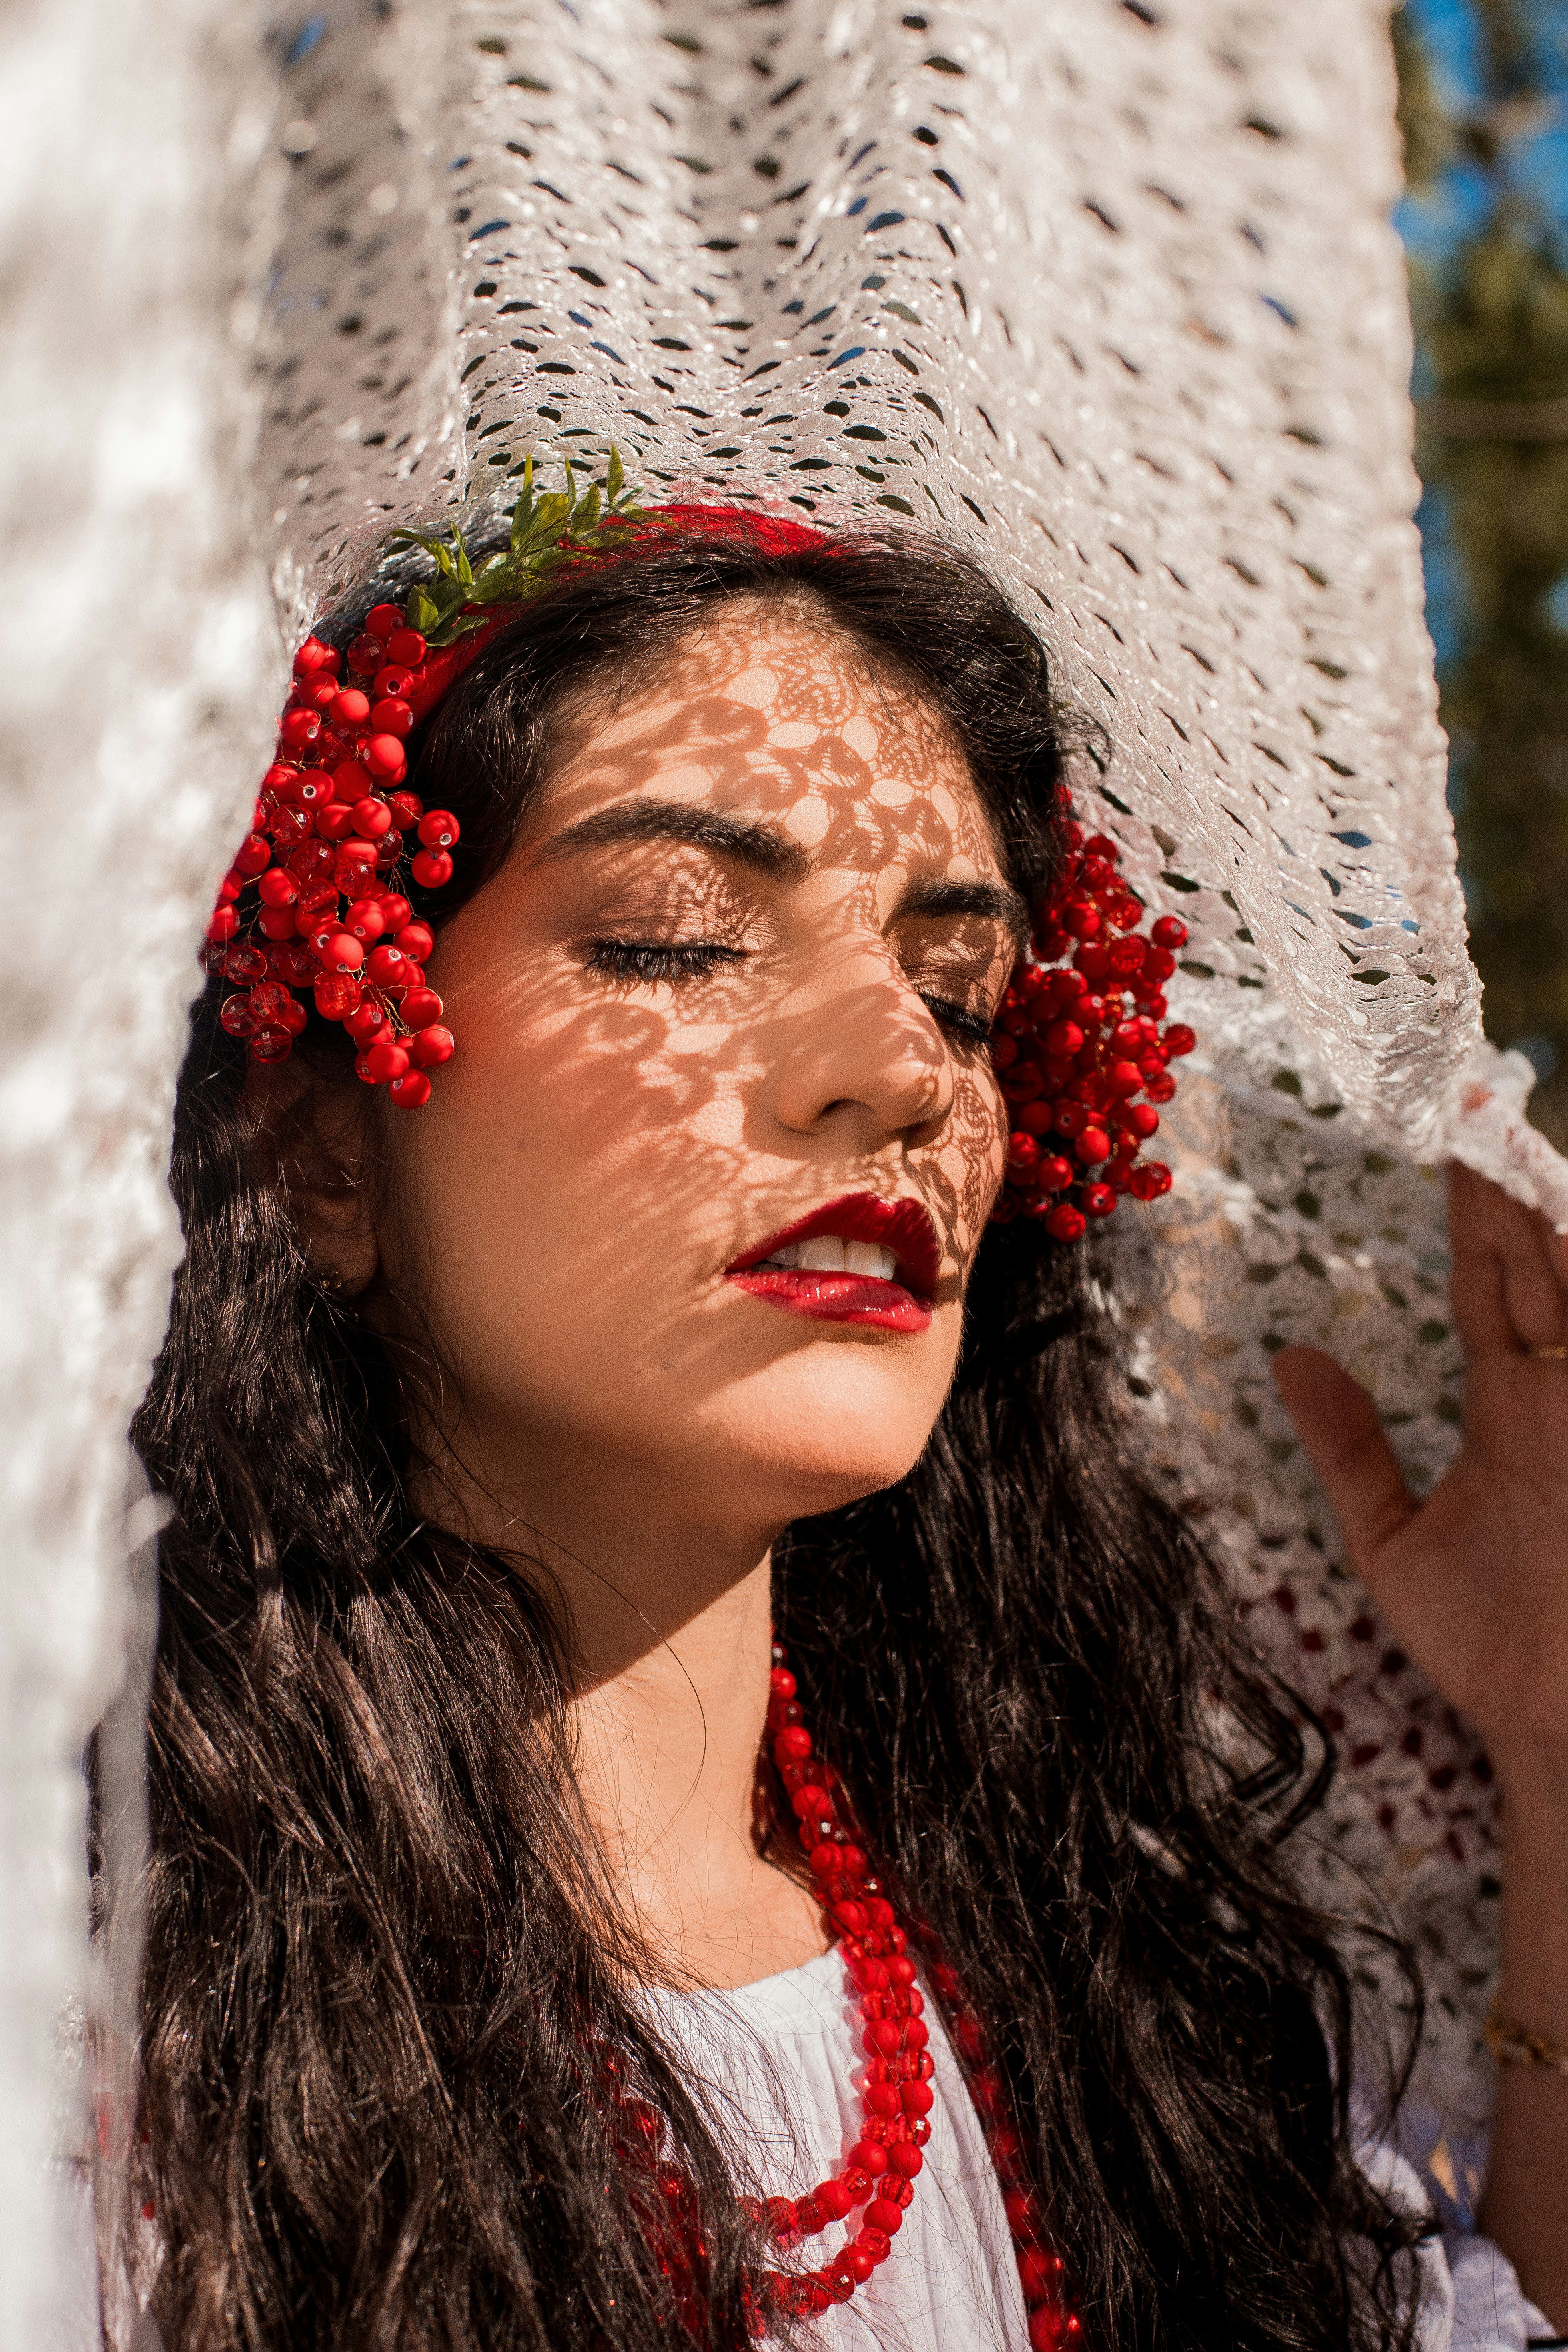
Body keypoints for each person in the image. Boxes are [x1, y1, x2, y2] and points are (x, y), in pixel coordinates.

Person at [127, 508, 1568, 2352]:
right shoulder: (114, 2053)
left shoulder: (1117, 1982)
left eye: (961, 998)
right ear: (325, 1145)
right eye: (682, 940)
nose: (897, 1068)